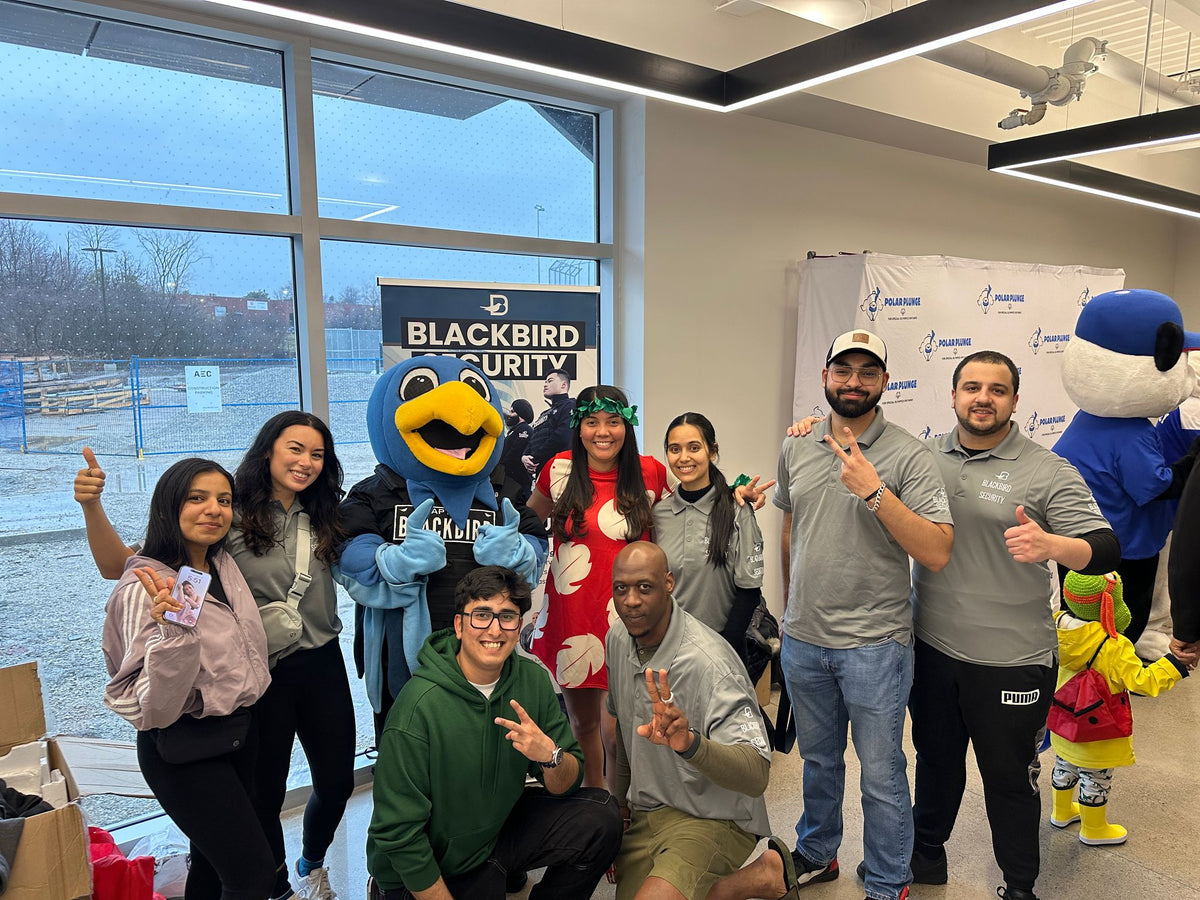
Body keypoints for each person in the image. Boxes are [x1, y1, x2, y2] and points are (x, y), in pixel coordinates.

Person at [75, 410, 356, 900]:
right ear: (268, 449)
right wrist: (92, 506)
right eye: (295, 448)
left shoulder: (327, 513)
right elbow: (128, 567)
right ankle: (276, 886)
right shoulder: (230, 517)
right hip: (260, 672)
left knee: (335, 782)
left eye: (317, 454)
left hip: (321, 659)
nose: (306, 461)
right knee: (261, 798)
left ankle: (311, 862)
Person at [905, 352, 1117, 900]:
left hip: (1012, 661)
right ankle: (926, 857)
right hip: (932, 648)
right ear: (952, 396)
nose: (983, 398)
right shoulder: (925, 459)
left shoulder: (1046, 470)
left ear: (1015, 401)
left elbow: (1104, 547)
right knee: (936, 763)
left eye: (997, 390)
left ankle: (1020, 885)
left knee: (1007, 778)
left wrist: (1053, 546)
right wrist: (807, 428)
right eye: (971, 387)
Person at [774, 329, 953, 900]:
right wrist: (789, 607)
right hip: (804, 637)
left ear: (883, 382)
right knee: (818, 762)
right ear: (825, 376)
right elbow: (791, 527)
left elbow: (937, 550)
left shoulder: (907, 453)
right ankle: (819, 852)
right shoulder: (796, 444)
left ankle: (888, 878)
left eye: (867, 372)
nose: (853, 381)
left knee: (881, 775)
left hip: (875, 643)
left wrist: (875, 492)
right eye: (842, 370)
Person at [365, 565, 621, 899]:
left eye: (508, 617)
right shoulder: (417, 708)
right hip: (430, 865)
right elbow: (397, 833)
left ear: (518, 628)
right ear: (459, 625)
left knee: (601, 817)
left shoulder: (531, 681)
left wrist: (550, 757)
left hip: (493, 835)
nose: (495, 629)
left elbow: (568, 782)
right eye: (482, 615)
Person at [102, 458, 274, 900]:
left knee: (212, 869)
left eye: (223, 500)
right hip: (183, 747)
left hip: (236, 730)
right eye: (196, 498)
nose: (213, 509)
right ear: (168, 506)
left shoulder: (217, 564)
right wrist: (175, 635)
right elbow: (151, 707)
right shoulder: (143, 587)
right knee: (253, 877)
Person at [606, 541, 797, 900]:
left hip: (713, 817)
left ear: (668, 584)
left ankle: (756, 876)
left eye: (644, 587)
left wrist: (690, 743)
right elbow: (623, 727)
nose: (631, 601)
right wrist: (620, 805)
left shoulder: (711, 664)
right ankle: (762, 877)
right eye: (621, 588)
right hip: (650, 810)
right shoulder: (618, 638)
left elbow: (757, 774)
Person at [527, 384, 671, 788]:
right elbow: (526, 523)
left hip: (628, 617)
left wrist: (735, 498)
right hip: (572, 614)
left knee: (616, 729)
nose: (602, 431)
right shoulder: (557, 468)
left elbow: (685, 520)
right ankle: (593, 802)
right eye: (592, 422)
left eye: (613, 421)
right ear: (579, 426)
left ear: (627, 425)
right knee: (582, 722)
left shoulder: (650, 472)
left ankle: (621, 809)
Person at [1050, 571, 1189, 846]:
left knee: (1064, 765)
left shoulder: (1055, 626)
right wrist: (1174, 665)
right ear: (1108, 604)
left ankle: (1061, 811)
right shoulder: (1114, 646)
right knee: (1095, 779)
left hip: (1064, 721)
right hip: (1097, 730)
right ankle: (1094, 829)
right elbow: (1143, 681)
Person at [653, 412, 765, 666]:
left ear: (712, 451)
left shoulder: (737, 509)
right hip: (668, 649)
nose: (684, 458)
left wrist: (721, 650)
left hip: (723, 649)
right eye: (674, 449)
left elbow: (749, 592)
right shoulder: (658, 514)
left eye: (694, 448)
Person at [521, 368, 574, 481]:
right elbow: (533, 439)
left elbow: (562, 437)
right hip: (542, 472)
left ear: (563, 385)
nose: (545, 385)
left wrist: (535, 458)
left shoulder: (570, 406)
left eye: (550, 381)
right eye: (545, 382)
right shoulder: (543, 414)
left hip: (561, 471)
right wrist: (525, 457)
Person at [499, 397, 535, 501]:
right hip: (508, 482)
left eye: (512, 411)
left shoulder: (525, 430)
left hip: (518, 484)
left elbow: (514, 455)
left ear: (521, 414)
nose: (509, 415)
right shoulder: (513, 431)